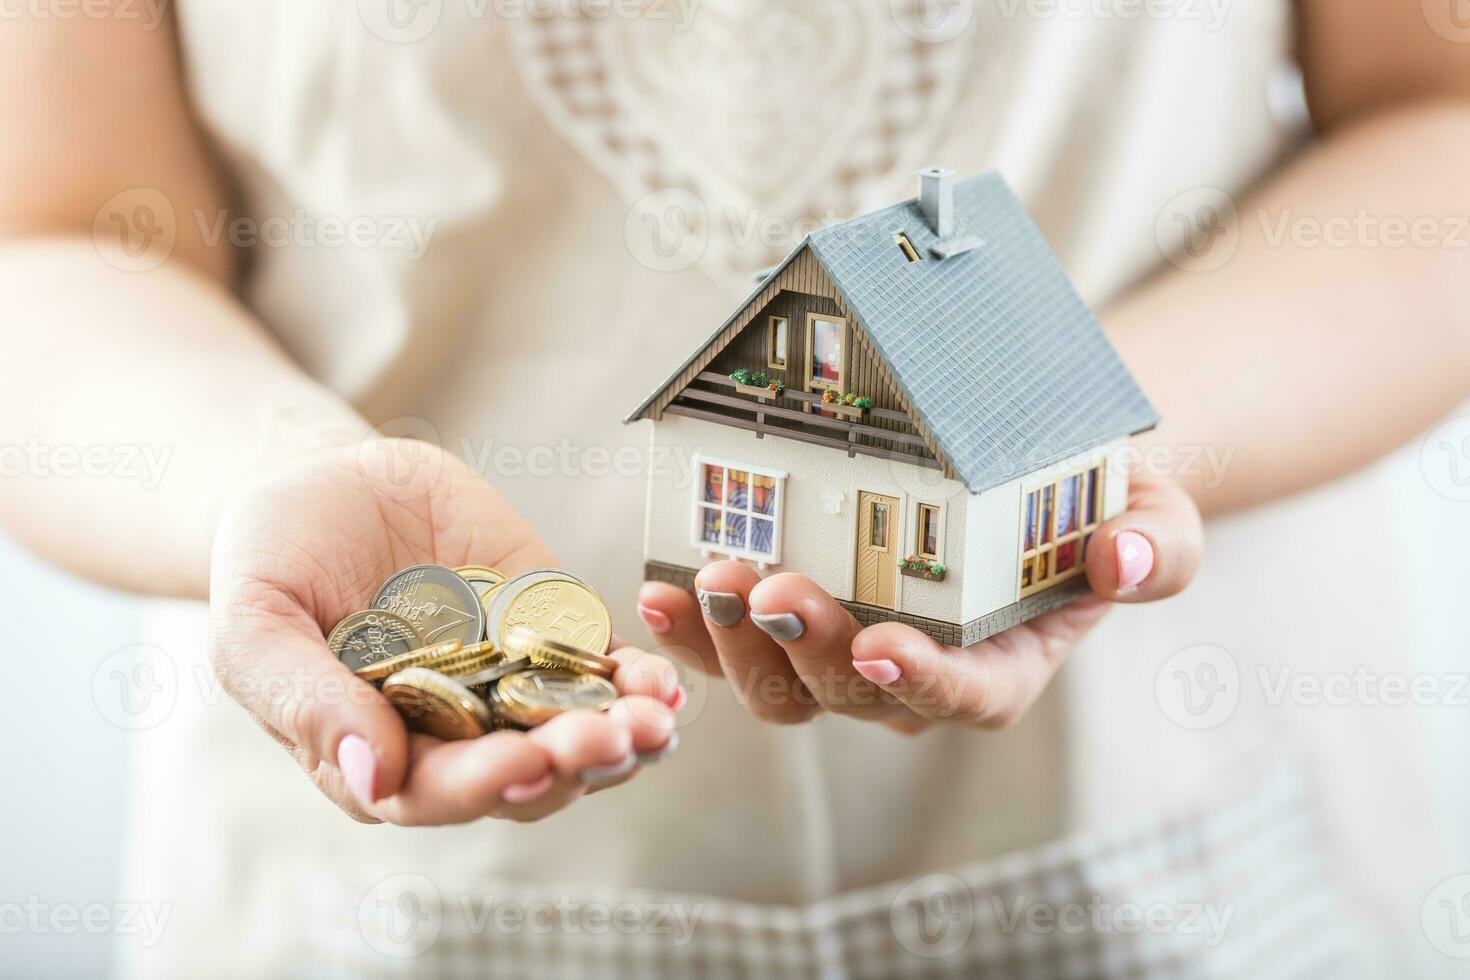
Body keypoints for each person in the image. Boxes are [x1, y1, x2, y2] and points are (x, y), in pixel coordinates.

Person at [1, 1, 1466, 975]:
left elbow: (1436, 112)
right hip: (384, 901)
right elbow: (56, 227)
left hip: (1169, 839)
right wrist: (271, 473)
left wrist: (1089, 444)